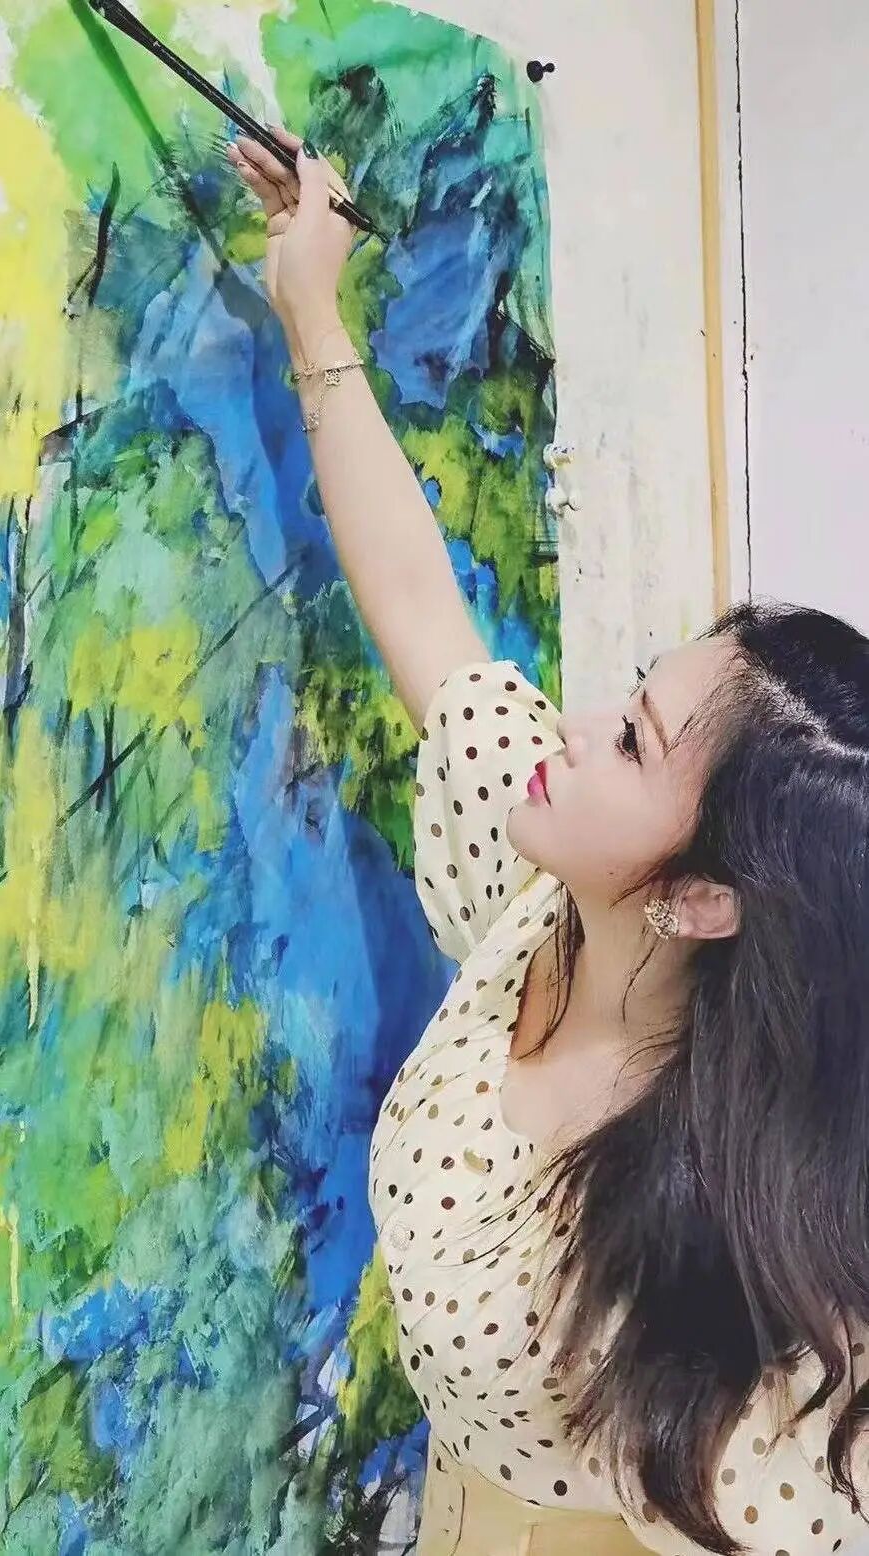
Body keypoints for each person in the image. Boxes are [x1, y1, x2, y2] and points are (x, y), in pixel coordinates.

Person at [225, 129, 869, 1555]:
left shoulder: (761, 1298)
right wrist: (312, 311)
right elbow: (424, 616)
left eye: (631, 741)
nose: (570, 729)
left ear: (705, 897)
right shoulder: (551, 892)